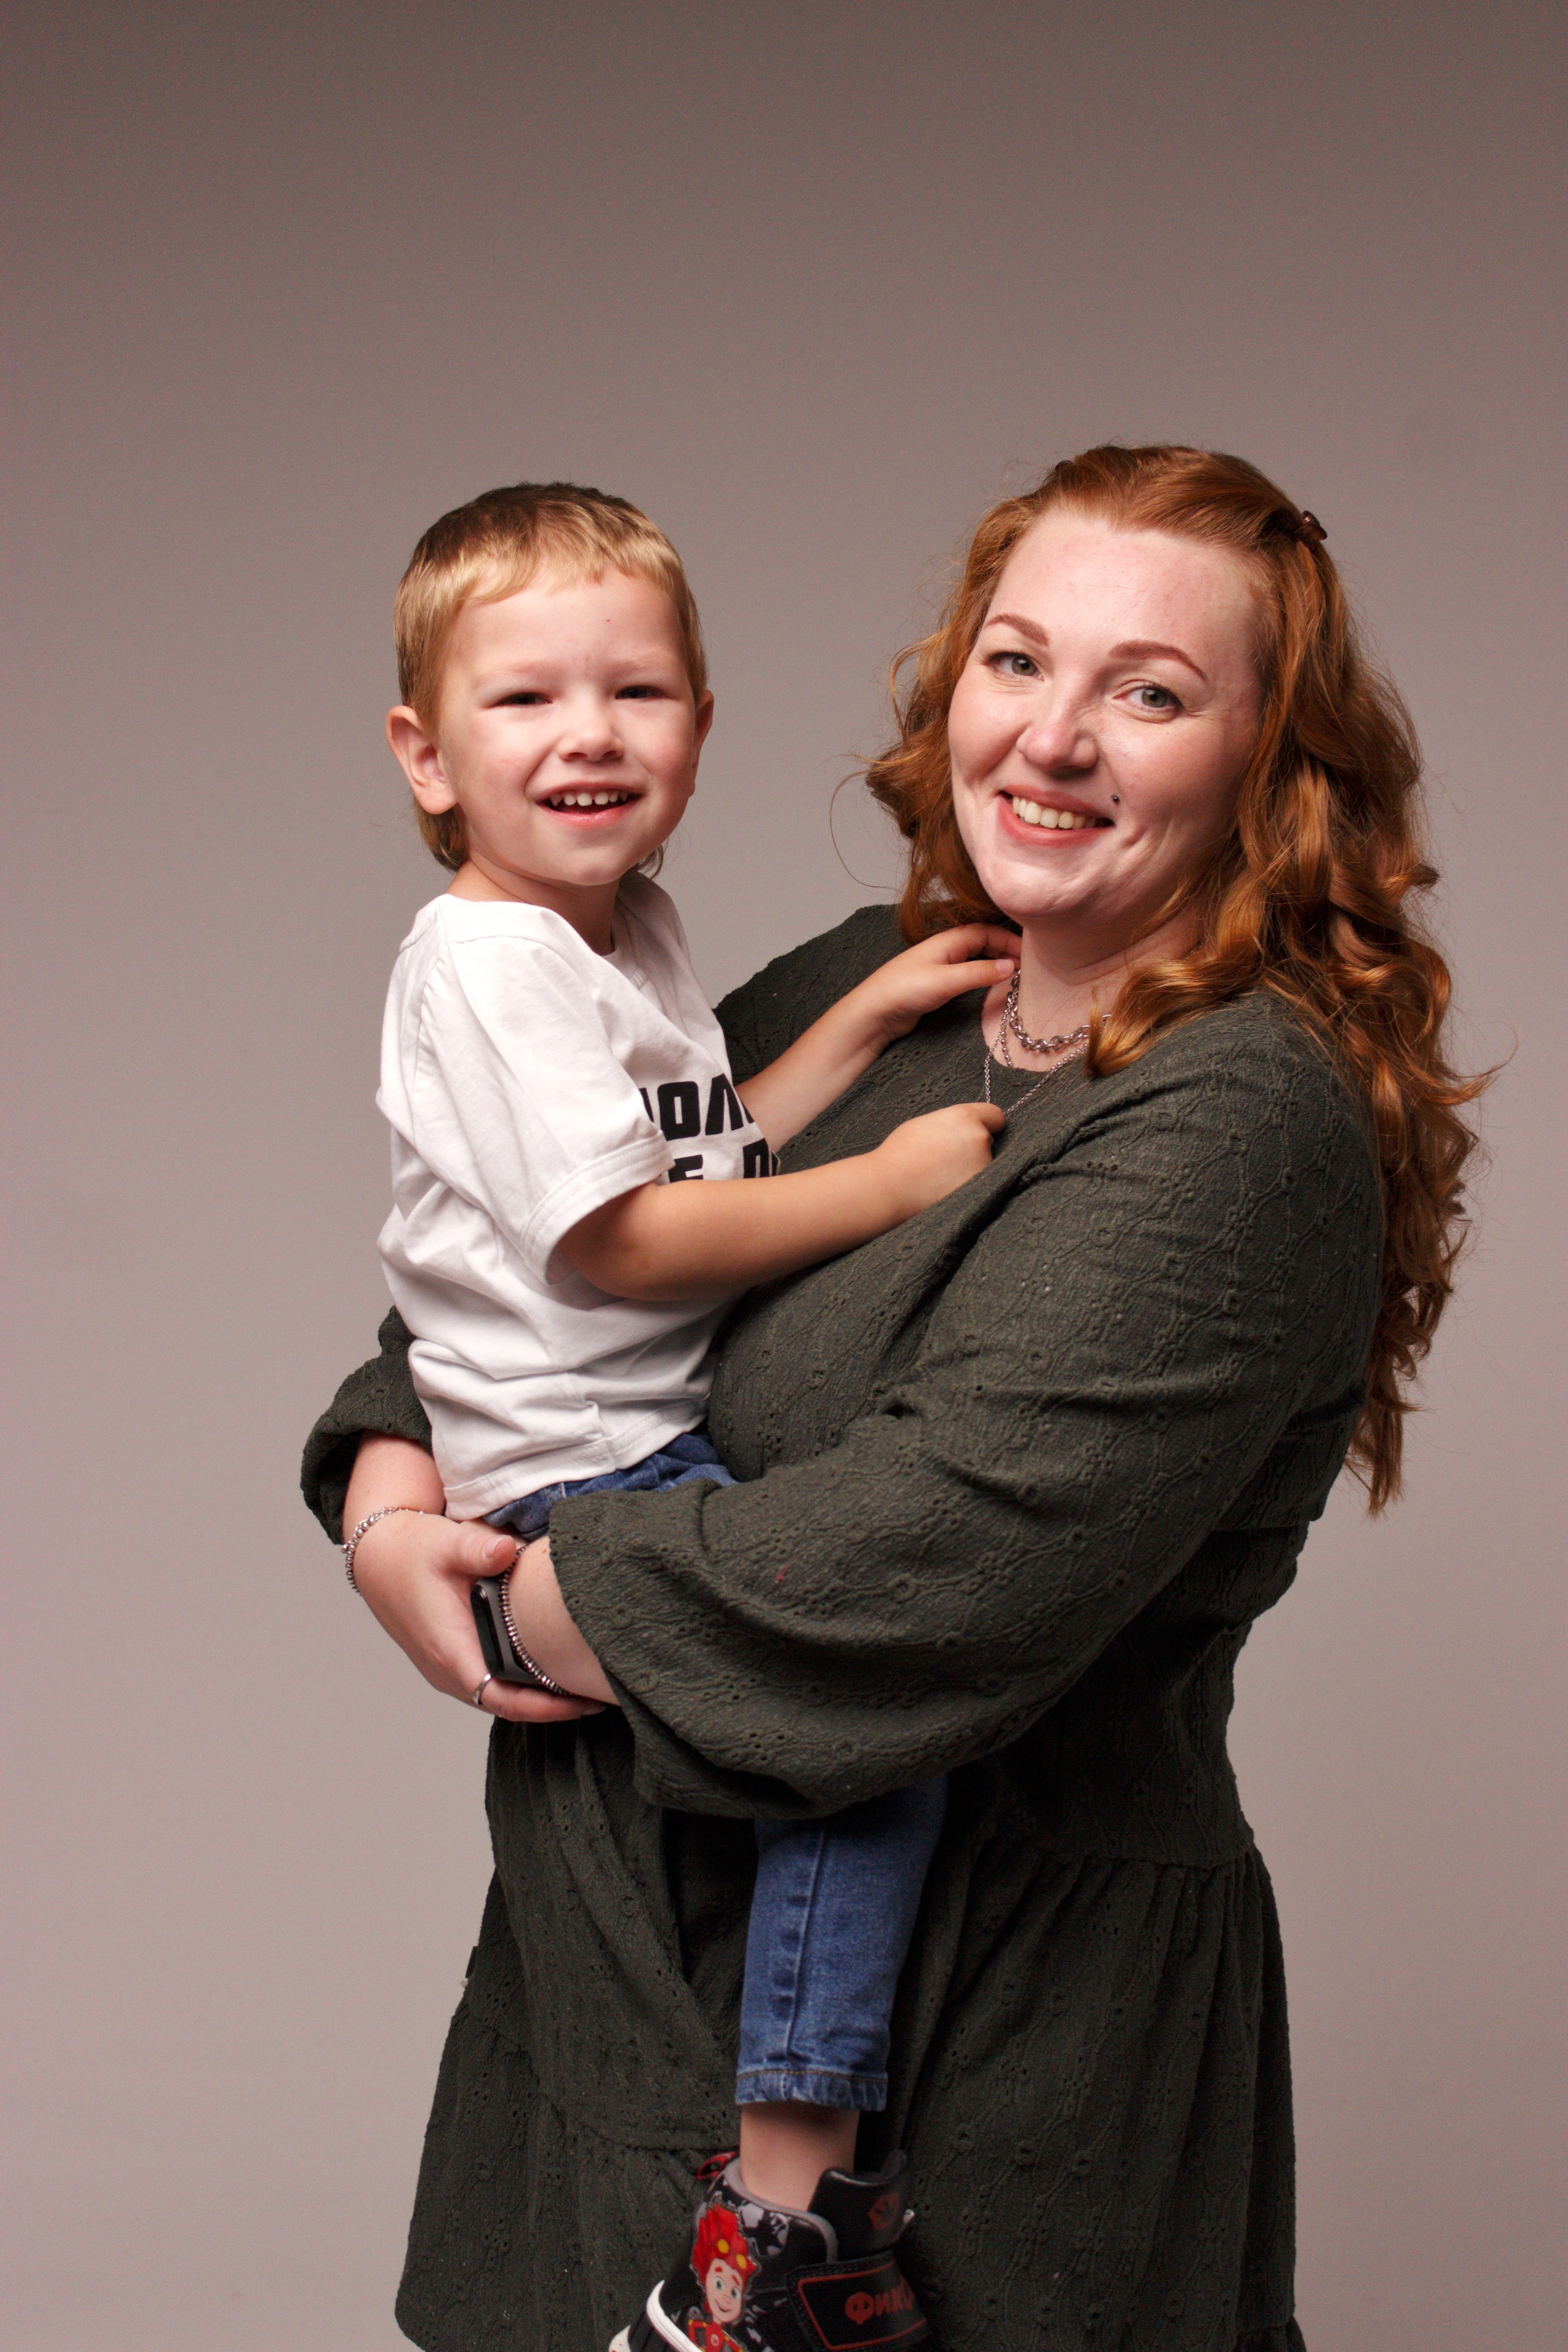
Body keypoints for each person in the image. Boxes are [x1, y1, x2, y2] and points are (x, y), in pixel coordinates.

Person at [303, 445, 1479, 2352]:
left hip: (982, 2083)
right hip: (607, 1996)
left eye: (1151, 693)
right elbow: (531, 1246)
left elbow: (913, 1574)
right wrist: (378, 1504)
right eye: (1020, 665)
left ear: (1273, 763)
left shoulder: (1235, 1119)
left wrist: (506, 1586)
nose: (1058, 738)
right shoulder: (885, 984)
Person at [363, 480, 1023, 2343]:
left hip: (627, 1454)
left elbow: (706, 1132)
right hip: (591, 1472)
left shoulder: (613, 929)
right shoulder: (488, 966)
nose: (591, 736)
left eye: (639, 694)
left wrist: (858, 1022)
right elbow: (636, 1239)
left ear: (703, 729)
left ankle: (778, 2210)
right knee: (862, 1742)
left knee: (823, 1764)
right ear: (424, 759)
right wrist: (897, 1182)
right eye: (524, 703)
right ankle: (774, 2232)